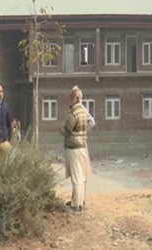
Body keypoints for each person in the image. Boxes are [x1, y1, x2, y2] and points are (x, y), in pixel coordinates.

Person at [61, 85, 93, 213]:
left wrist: (61, 130)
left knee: (76, 177)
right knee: (81, 176)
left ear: (77, 97)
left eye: (72, 96)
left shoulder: (74, 112)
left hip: (73, 147)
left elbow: (67, 130)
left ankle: (75, 206)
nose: (70, 99)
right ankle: (79, 202)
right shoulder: (84, 112)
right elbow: (90, 123)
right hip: (82, 146)